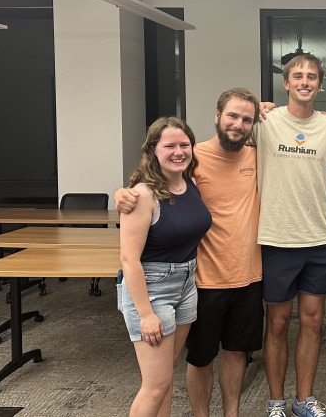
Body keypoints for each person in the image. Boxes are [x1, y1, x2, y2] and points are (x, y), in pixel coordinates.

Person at [116, 88, 263, 417]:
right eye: (232, 116)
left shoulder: (253, 154)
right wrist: (121, 193)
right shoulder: (194, 158)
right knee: (184, 366)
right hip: (201, 279)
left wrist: (271, 109)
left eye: (246, 118)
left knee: (229, 355)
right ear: (216, 116)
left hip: (236, 277)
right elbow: (144, 186)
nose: (238, 124)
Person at [256, 53, 326, 417]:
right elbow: (224, 140)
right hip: (277, 238)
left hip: (319, 239)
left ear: (320, 84)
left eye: (312, 76)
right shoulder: (264, 121)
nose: (305, 81)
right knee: (277, 323)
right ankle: (276, 401)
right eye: (298, 75)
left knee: (313, 322)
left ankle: (303, 399)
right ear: (286, 83)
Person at [118, 116, 212, 417]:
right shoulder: (143, 195)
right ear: (153, 150)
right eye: (169, 145)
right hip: (152, 289)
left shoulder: (190, 183)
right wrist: (145, 314)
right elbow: (129, 259)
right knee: (155, 385)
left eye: (185, 145)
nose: (178, 151)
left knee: (164, 377)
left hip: (186, 283)